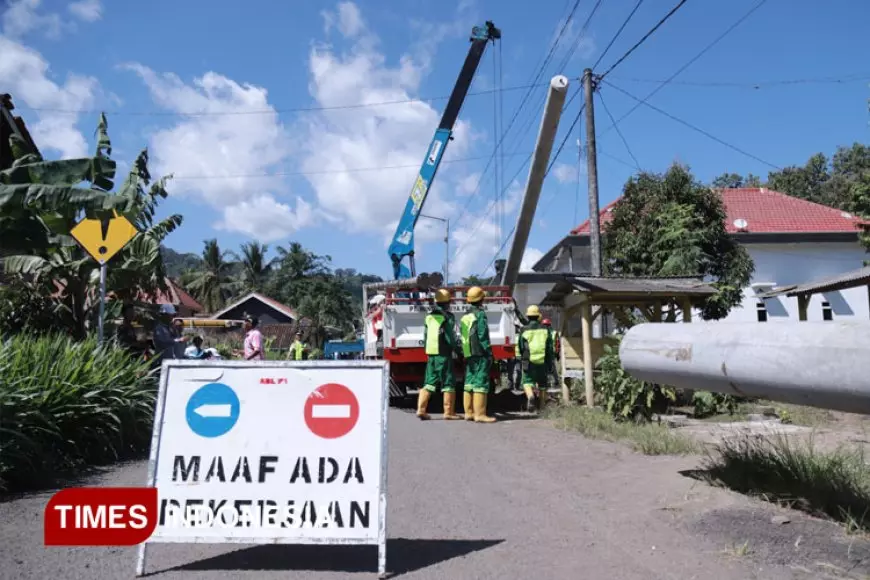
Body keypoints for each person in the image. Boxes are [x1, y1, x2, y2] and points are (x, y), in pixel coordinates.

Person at [417, 288, 461, 420]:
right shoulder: (447, 317)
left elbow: (425, 336)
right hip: (443, 353)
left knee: (429, 382)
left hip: (431, 353)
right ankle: (448, 412)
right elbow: (450, 337)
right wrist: (458, 350)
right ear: (448, 302)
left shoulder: (429, 317)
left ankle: (421, 409)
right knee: (448, 382)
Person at [460, 286, 496, 423]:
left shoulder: (466, 315)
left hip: (469, 353)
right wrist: (488, 351)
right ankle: (480, 414)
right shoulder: (480, 314)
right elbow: (482, 335)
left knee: (469, 382)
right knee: (481, 382)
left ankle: (468, 413)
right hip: (480, 353)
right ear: (482, 299)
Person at [516, 304, 555, 413]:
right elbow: (549, 347)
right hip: (542, 360)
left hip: (528, 361)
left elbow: (521, 345)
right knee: (542, 384)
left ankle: (531, 396)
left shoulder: (524, 330)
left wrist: (522, 357)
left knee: (527, 382)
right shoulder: (545, 329)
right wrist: (550, 362)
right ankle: (542, 407)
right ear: (538, 316)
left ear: (528, 316)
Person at [542, 318, 561, 387]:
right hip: (548, 353)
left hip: (548, 353)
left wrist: (557, 353)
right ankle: (554, 382)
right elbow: (558, 344)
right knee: (550, 368)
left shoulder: (552, 333)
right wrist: (558, 353)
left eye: (545, 325)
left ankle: (553, 382)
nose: (545, 327)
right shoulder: (553, 333)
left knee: (550, 368)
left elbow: (557, 344)